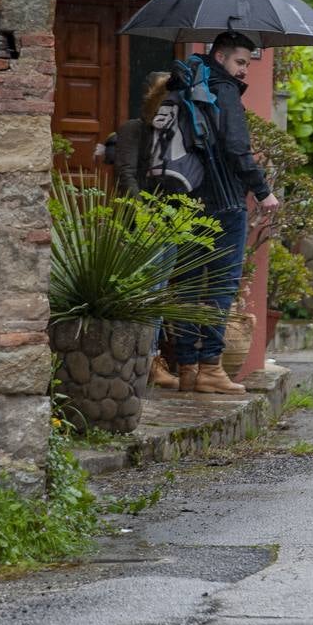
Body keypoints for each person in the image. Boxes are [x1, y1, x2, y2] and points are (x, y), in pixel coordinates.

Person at [169, 31, 279, 394]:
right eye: (240, 62)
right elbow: (235, 145)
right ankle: (211, 369)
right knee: (220, 285)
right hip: (224, 200)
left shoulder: (183, 82)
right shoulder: (224, 89)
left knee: (185, 284)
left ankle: (185, 367)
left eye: (246, 63)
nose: (244, 71)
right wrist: (263, 191)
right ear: (220, 57)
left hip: (187, 198)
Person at [109, 72, 182, 389]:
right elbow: (126, 175)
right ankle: (141, 359)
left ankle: (151, 359)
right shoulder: (133, 130)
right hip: (139, 226)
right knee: (143, 294)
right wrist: (144, 215)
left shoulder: (176, 135)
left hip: (169, 225)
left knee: (159, 294)